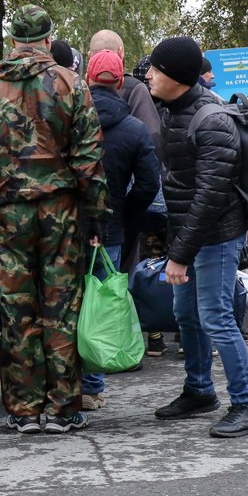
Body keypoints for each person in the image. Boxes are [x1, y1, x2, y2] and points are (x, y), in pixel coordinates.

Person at [0, 5, 108, 434]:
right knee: (61, 308)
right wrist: (96, 215)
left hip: (8, 215)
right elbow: (89, 157)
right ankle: (64, 409)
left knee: (16, 311)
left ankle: (24, 411)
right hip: (61, 211)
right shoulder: (70, 82)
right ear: (47, 40)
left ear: (12, 41)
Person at [145, 36, 248, 438]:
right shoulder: (170, 109)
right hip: (189, 234)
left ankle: (247, 405)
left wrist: (179, 254)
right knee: (185, 315)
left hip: (214, 234)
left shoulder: (213, 120)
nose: (147, 75)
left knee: (216, 316)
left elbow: (210, 197)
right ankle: (199, 390)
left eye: (156, 70)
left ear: (177, 77)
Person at [80, 48, 160, 410]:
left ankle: (62, 383)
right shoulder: (134, 128)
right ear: (121, 82)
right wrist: (127, 214)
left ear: (87, 80)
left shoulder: (70, 122)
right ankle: (93, 386)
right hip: (111, 227)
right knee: (105, 304)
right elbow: (148, 183)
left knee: (65, 303)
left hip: (64, 228)